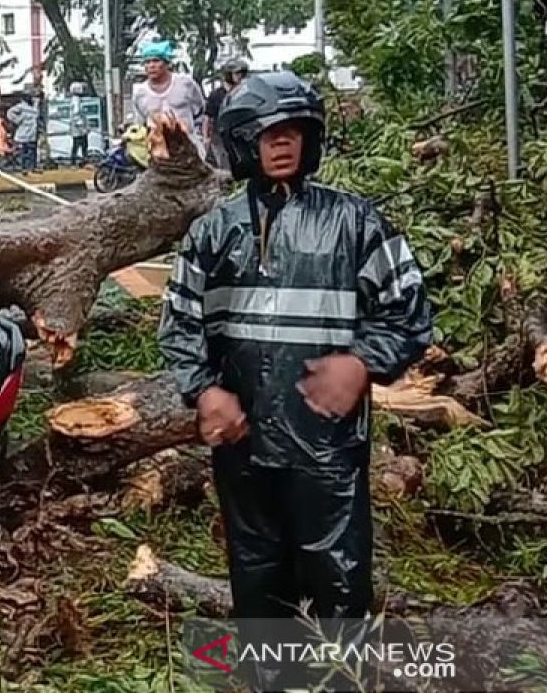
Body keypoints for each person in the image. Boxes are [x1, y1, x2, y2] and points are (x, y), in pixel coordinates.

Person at [157, 72, 432, 690]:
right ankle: (270, 681)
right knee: (255, 573)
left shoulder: (356, 222)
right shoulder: (213, 232)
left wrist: (363, 362)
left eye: (295, 133)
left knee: (337, 575)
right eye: (269, 134)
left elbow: (409, 310)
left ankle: (341, 681)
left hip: (327, 445)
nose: (284, 145)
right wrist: (204, 388)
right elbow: (179, 322)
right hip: (243, 441)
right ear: (241, 142)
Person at [130, 41, 207, 153]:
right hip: (159, 152)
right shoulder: (139, 93)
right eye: (147, 62)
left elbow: (201, 112)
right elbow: (140, 126)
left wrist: (200, 136)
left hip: (189, 149)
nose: (151, 65)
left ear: (167, 63)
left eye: (156, 60)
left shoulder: (185, 83)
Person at [202, 58, 249, 169]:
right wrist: (205, 137)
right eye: (237, 73)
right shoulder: (216, 94)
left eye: (242, 73)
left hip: (240, 136)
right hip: (220, 138)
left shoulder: (245, 93)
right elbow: (207, 117)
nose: (240, 76)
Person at [7, 90, 40, 172]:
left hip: (32, 133)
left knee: (32, 151)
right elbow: (9, 113)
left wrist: (37, 102)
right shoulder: (21, 106)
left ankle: (32, 167)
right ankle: (23, 168)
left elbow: (36, 114)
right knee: (24, 151)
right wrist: (17, 120)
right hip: (23, 133)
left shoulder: (34, 107)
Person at [68, 81, 91, 167]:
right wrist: (83, 127)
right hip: (79, 128)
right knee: (81, 145)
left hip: (77, 128)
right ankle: (79, 161)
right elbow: (76, 114)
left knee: (77, 145)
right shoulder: (76, 100)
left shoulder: (75, 100)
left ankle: (77, 161)